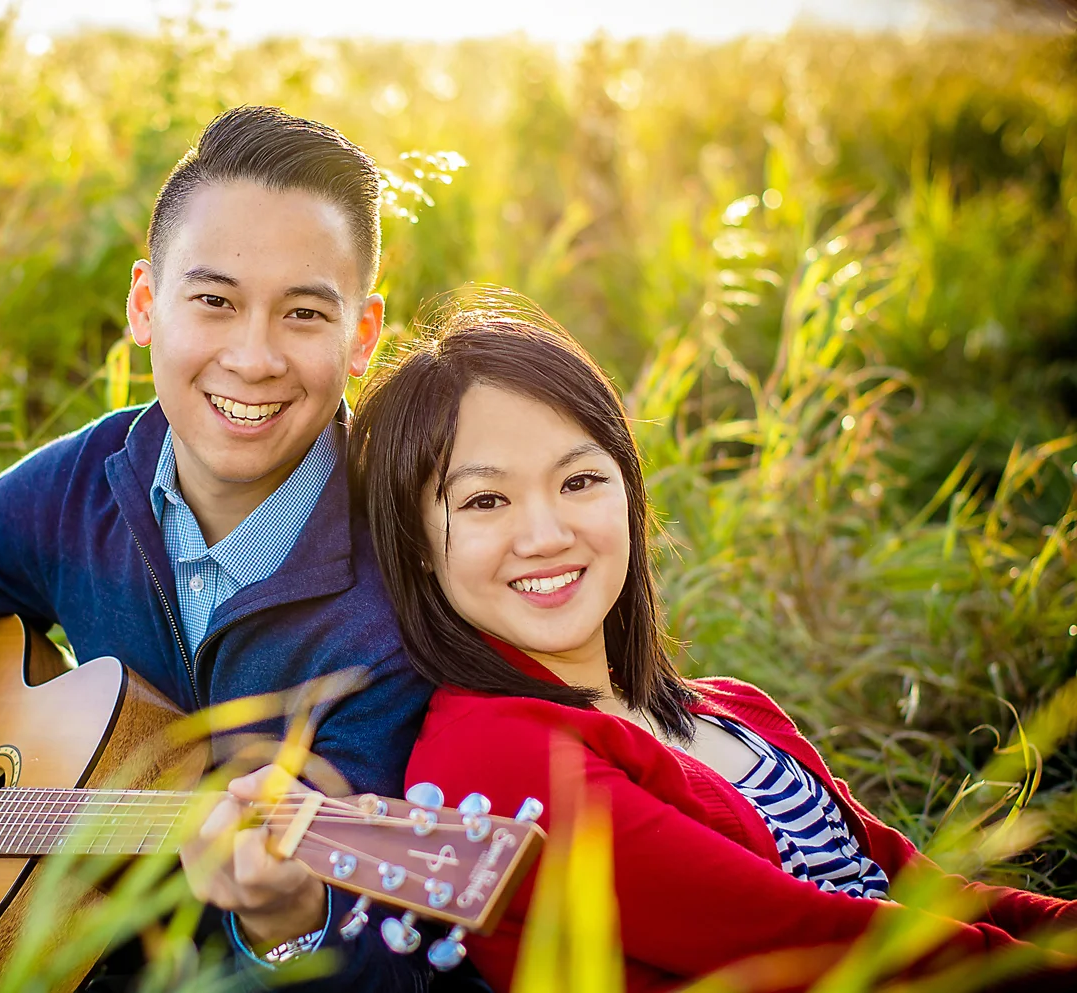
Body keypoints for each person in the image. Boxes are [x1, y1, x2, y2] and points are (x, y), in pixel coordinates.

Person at [0, 105, 437, 987]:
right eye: (214, 301)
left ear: (362, 337)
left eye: (304, 314)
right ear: (145, 305)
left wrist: (286, 917)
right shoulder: (80, 485)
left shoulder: (397, 607)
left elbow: (381, 954)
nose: (253, 355)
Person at [346, 290, 1077, 993]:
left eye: (579, 481)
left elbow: (920, 891)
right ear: (415, 543)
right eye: (485, 500)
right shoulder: (493, 754)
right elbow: (809, 942)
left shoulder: (733, 708)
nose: (546, 534)